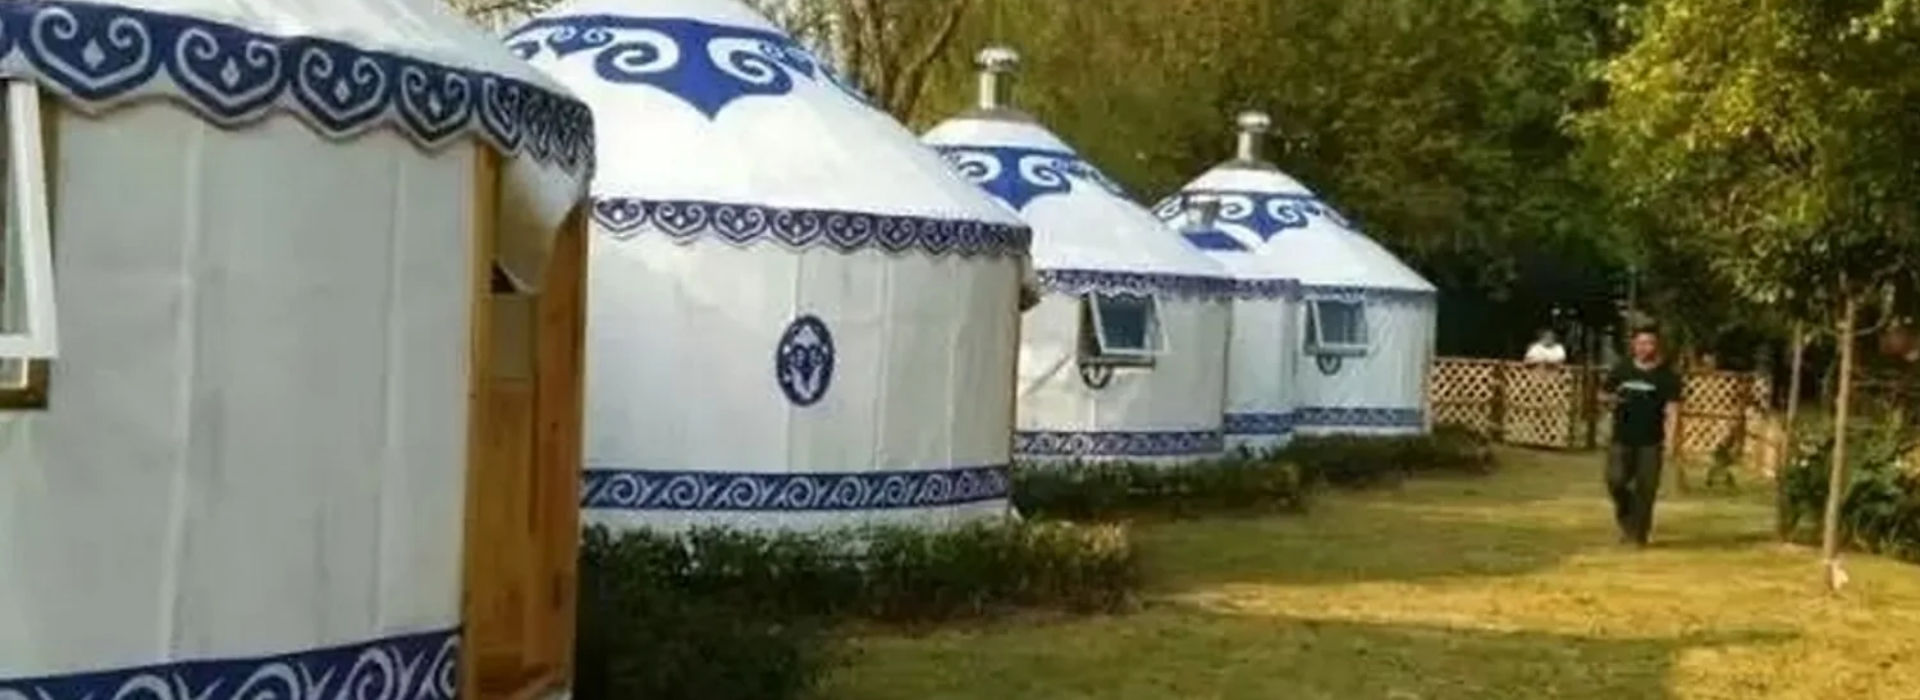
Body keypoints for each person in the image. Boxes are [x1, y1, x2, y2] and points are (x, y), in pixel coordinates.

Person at [1603, 328, 1682, 546]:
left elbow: (1673, 410)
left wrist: (1671, 441)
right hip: (1622, 438)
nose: (1644, 347)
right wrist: (1610, 400)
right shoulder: (1622, 369)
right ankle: (1627, 517)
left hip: (1651, 441)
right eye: (1640, 343)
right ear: (1633, 346)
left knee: (1646, 490)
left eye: (1649, 343)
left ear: (1657, 346)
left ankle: (1639, 535)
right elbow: (1604, 394)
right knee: (1616, 481)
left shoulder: (1667, 376)